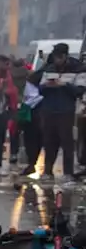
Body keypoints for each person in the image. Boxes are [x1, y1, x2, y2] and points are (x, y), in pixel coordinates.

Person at [30, 43, 86, 183]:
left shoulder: (78, 69)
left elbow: (79, 90)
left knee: (67, 142)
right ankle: (47, 172)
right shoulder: (49, 69)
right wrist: (48, 85)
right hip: (48, 110)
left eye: (59, 57)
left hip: (66, 111)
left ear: (65, 56)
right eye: (55, 57)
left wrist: (64, 85)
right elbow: (40, 88)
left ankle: (68, 173)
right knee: (49, 142)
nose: (57, 60)